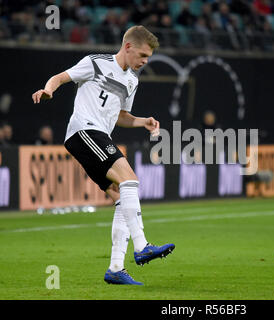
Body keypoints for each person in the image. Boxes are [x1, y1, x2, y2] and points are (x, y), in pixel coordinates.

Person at [32, 25, 175, 285]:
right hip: (84, 131)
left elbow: (120, 115)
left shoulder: (132, 80)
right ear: (128, 46)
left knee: (121, 195)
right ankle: (142, 245)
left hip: (99, 137)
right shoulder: (96, 63)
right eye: (142, 55)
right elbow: (61, 77)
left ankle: (116, 269)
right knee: (130, 179)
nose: (145, 61)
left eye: (148, 58)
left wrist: (143, 122)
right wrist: (48, 89)